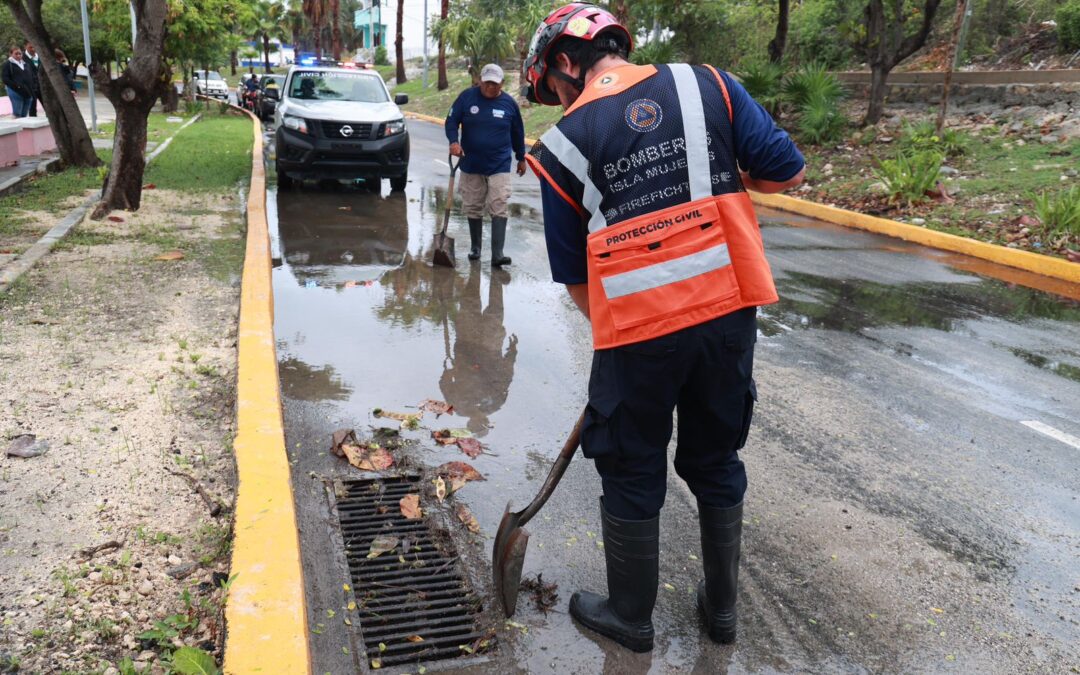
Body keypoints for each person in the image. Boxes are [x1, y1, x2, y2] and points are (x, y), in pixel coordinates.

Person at [522, 2, 805, 654]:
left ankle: (629, 616)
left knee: (629, 462)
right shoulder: (708, 84)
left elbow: (574, 277)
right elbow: (785, 171)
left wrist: (624, 344)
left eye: (552, 88)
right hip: (729, 316)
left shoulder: (561, 145)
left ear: (568, 62)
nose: (557, 100)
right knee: (715, 456)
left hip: (637, 335)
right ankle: (723, 612)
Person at [444, 63, 526, 266]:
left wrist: (521, 157)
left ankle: (497, 254)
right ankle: (476, 248)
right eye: (487, 83)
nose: (491, 87)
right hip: (471, 163)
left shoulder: (509, 104)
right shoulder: (466, 98)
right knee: (473, 206)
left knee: (499, 204)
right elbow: (451, 121)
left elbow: (518, 132)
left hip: (499, 164)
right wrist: (454, 142)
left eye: (495, 84)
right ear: (480, 80)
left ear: (502, 84)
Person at [2, 46, 34, 117]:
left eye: (20, 53)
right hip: (15, 91)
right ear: (11, 54)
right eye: (16, 54)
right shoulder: (8, 64)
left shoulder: (26, 64)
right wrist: (17, 86)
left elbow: (31, 76)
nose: (18, 55)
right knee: (17, 113)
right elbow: (5, 78)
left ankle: (24, 127)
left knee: (24, 114)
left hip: (28, 90)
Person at [22, 41, 39, 117]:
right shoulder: (21, 57)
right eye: (30, 47)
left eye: (35, 46)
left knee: (50, 107)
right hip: (30, 87)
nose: (33, 49)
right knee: (32, 108)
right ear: (25, 46)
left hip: (42, 86)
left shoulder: (42, 56)